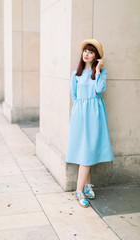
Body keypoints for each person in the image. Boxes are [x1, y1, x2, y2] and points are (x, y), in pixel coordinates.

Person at [65, 39, 115, 208]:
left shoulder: (101, 72)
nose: (86, 54)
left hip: (95, 114)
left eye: (91, 52)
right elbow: (75, 96)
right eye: (85, 51)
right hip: (80, 114)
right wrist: (78, 114)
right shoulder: (75, 74)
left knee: (89, 149)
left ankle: (86, 186)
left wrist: (99, 69)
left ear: (96, 56)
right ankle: (80, 190)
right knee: (84, 150)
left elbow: (99, 90)